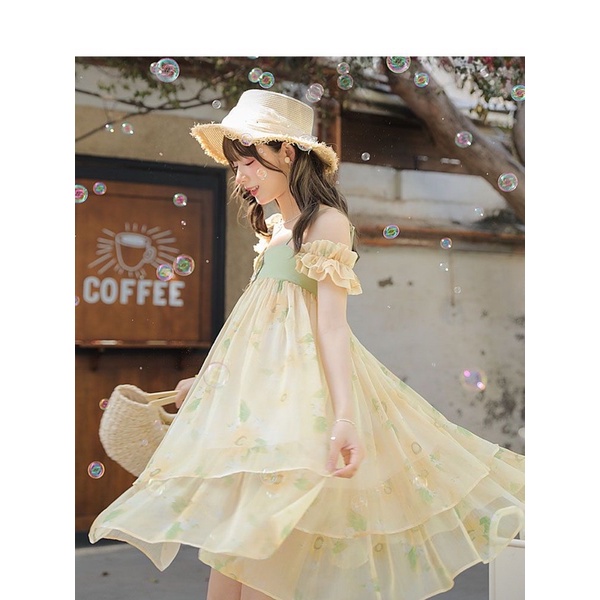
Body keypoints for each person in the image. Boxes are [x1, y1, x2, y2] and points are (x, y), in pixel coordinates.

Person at [89, 90, 525, 600]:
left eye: (250, 162)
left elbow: (331, 328)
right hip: (261, 414)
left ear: (288, 152)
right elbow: (257, 330)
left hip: (294, 413)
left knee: (262, 573)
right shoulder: (276, 231)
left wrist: (344, 417)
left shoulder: (326, 224)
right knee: (227, 575)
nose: (242, 178)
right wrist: (207, 384)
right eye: (237, 167)